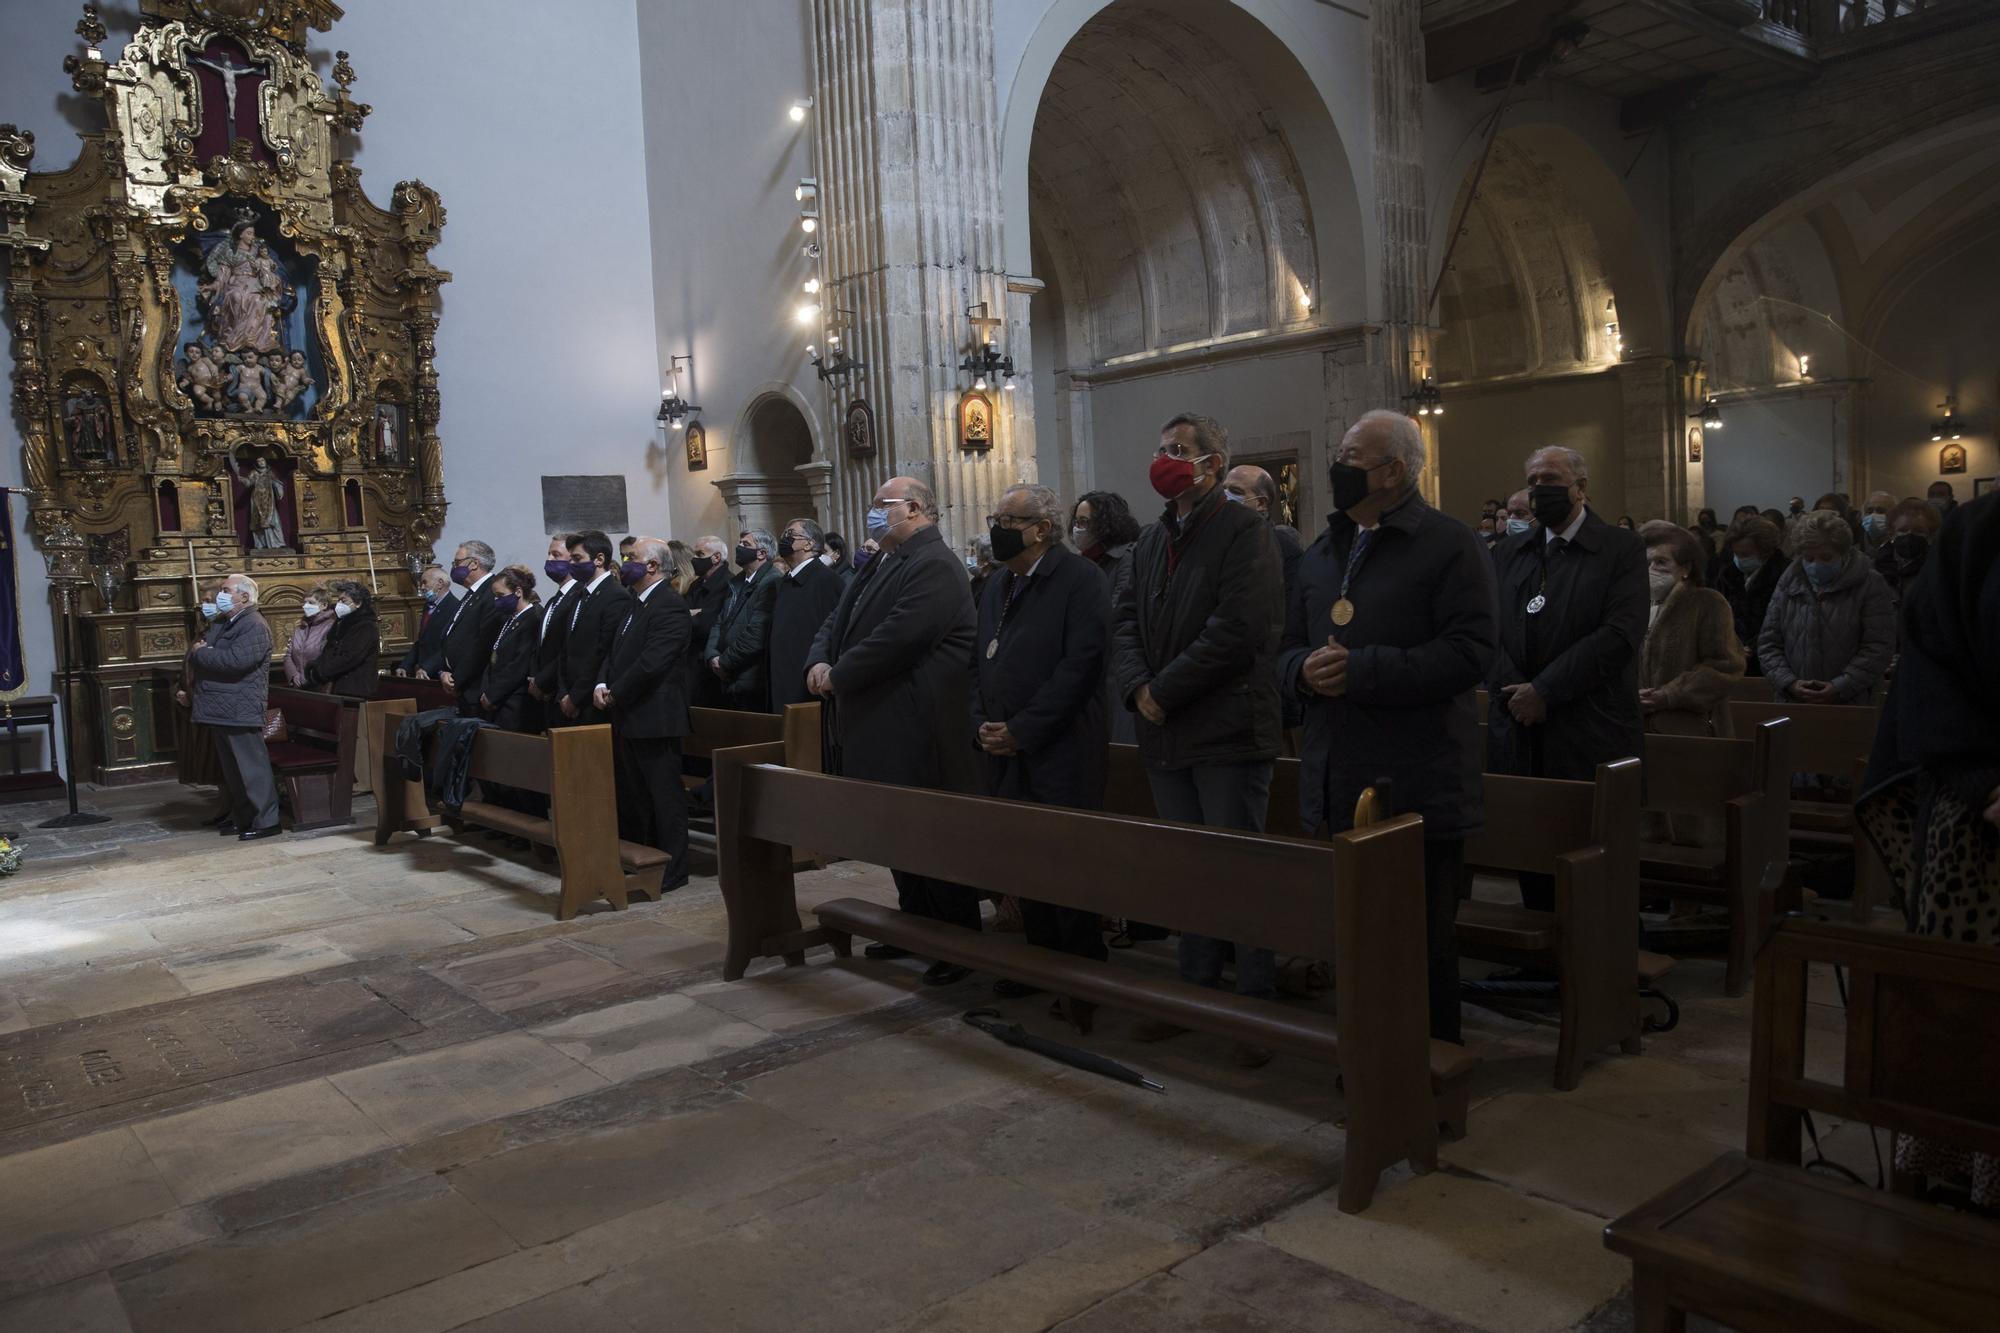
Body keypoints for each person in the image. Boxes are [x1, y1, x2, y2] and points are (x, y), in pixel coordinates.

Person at [1279, 410, 1494, 1044]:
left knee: (1419, 940)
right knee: (1356, 934)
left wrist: (1361, 670)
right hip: (1336, 772)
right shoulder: (1323, 551)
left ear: (1393, 471)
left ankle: (1427, 1077)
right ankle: (1369, 1061)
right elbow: (1286, 644)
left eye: (1350, 457)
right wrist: (1301, 672)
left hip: (1416, 778)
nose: (1337, 468)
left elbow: (1471, 653)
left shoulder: (1450, 545)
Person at [1111, 412, 1283, 1062]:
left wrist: (1164, 690)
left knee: (1238, 871)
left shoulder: (1245, 531)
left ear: (1213, 462)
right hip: (1165, 732)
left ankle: (1255, 1012)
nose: (1166, 460)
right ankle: (1195, 992)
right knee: (1187, 869)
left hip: (1227, 727)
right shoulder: (1153, 540)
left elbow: (1239, 628)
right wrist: (1137, 687)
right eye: (1161, 449)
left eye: (1179, 450)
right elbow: (1124, 616)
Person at [1857, 491, 2000, 1205]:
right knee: (1970, 1016)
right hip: (1982, 815)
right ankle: (1966, 1168)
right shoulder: (1983, 530)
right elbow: (1932, 663)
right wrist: (1985, 782)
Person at [806, 477, 981, 984]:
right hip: (880, 721)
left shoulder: (935, 564)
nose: (872, 513)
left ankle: (956, 942)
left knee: (933, 838)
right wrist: (819, 660)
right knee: (899, 835)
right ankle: (914, 927)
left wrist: (840, 674)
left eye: (881, 505)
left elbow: (900, 636)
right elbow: (836, 621)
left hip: (918, 724)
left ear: (915, 508)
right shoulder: (884, 559)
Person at [972, 483, 1112, 1025]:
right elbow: (978, 662)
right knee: (1025, 864)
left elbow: (1080, 669)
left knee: (1067, 868)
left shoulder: (1081, 581)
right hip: (1004, 751)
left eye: (1009, 518)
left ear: (1042, 529)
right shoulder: (997, 584)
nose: (997, 526)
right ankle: (1040, 964)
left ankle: (1081, 976)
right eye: (996, 515)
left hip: (1063, 750)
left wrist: (1023, 730)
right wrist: (981, 724)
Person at [1487, 446, 1648, 911]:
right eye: (1532, 480)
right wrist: (1517, 689)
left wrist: (1546, 690)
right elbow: (1490, 628)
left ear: (1581, 489)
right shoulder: (1512, 551)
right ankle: (1541, 962)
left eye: (1551, 479)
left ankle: (1601, 964)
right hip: (1519, 722)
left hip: (1588, 722)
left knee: (1591, 851)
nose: (1540, 489)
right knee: (1531, 842)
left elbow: (1619, 635)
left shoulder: (1619, 548)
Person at [596, 537, 693, 891]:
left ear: (652, 566)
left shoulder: (669, 605)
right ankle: (648, 861)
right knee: (638, 797)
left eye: (630, 557)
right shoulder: (635, 604)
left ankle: (674, 869)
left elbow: (652, 663)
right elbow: (615, 652)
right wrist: (603, 683)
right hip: (630, 714)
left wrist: (616, 692)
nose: (624, 563)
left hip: (655, 717)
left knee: (664, 798)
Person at [1758, 508, 1895, 705]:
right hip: (1794, 701)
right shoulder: (1789, 583)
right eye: (1809, 558)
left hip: (1852, 702)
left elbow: (1878, 646)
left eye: (1826, 557)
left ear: (1843, 553)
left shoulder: (1869, 584)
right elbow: (1769, 642)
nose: (1816, 565)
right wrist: (1789, 682)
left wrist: (1841, 685)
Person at [188, 573, 281, 840]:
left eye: (226, 590)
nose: (221, 595)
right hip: (222, 705)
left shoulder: (253, 624)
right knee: (233, 769)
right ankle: (243, 816)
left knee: (253, 768)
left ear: (244, 596)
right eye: (221, 590)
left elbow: (235, 661)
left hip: (240, 705)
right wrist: (203, 653)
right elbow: (212, 652)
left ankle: (267, 820)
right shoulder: (227, 621)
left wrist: (201, 653)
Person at [1637, 522, 1742, 736]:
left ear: (1685, 568)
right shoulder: (1633, 603)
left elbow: (1724, 667)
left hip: (1689, 727)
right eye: (1646, 562)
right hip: (1637, 726)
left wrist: (1670, 695)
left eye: (1661, 562)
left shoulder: (1707, 603)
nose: (1651, 570)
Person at [1072, 489, 1143, 746]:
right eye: (1076, 522)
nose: (1078, 529)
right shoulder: (1081, 563)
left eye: (1084, 522)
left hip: (1115, 670)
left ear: (1105, 524)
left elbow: (1117, 610)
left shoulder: (1126, 558)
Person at [768, 517, 845, 711]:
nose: (784, 539)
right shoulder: (786, 580)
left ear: (809, 544)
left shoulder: (825, 580)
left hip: (806, 679)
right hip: (782, 676)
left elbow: (833, 633)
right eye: (784, 534)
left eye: (791, 535)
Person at [557, 530, 633, 725]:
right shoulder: (579, 595)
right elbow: (567, 647)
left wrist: (575, 697)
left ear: (599, 559)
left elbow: (602, 651)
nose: (571, 564)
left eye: (576, 558)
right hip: (570, 696)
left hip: (592, 698)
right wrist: (564, 692)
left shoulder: (616, 595)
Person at [707, 529, 781, 711]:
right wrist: (712, 656)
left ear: (762, 553)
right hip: (730, 676)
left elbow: (757, 634)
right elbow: (720, 622)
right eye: (740, 543)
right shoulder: (737, 581)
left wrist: (724, 662)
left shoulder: (772, 581)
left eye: (746, 545)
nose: (739, 547)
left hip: (751, 677)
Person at [1713, 514, 1787, 677]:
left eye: (1746, 555)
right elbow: (1718, 614)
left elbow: (1784, 621)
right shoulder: (1727, 575)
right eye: (1736, 554)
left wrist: (1753, 646)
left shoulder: (1786, 576)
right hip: (1732, 659)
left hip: (1772, 662)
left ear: (1766, 551)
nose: (1740, 560)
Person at [440, 540, 503, 717]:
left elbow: (482, 643)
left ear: (474, 563)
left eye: (457, 563)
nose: (454, 568)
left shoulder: (491, 592)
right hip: (461, 684)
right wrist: (444, 671)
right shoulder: (472, 593)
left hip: (475, 686)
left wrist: (457, 679)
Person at [478, 566, 542, 731]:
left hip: (515, 703)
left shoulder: (532, 618)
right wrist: (486, 690)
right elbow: (494, 656)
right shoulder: (509, 619)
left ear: (518, 591)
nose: (496, 601)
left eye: (500, 596)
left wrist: (493, 695)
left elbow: (518, 665)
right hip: (498, 699)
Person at [302, 581, 380, 698]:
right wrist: (317, 667)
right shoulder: (341, 622)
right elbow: (330, 649)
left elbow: (350, 657)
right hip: (337, 686)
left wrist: (322, 671)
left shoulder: (366, 626)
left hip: (355, 688)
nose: (339, 604)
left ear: (358, 603)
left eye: (344, 601)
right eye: (338, 600)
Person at [529, 534, 577, 715]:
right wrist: (535, 678)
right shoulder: (552, 601)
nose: (549, 559)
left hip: (562, 690)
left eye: (556, 555)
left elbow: (567, 647)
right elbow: (540, 645)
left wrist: (543, 681)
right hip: (544, 693)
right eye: (549, 554)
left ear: (573, 559)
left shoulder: (578, 597)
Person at [683, 535, 732, 707]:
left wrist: (693, 615)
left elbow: (706, 624)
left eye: (699, 554)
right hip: (691, 658)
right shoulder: (696, 584)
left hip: (708, 661)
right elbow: (680, 617)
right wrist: (693, 613)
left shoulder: (727, 583)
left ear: (716, 557)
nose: (694, 559)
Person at [1875, 496, 1943, 607]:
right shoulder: (1876, 566)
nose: (1910, 535)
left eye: (1919, 531)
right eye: (1903, 530)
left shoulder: (1938, 568)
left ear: (1930, 536)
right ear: (1892, 533)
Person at [396, 565, 453, 678]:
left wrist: (428, 667)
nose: (421, 587)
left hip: (440, 673)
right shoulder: (428, 606)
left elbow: (448, 647)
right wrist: (405, 665)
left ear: (440, 583)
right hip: (424, 673)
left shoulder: (453, 607)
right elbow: (422, 642)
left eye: (425, 582)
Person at [281, 584, 335, 686]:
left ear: (324, 605)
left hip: (320, 683)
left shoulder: (330, 627)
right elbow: (288, 655)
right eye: (304, 602)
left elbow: (327, 657)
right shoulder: (299, 629)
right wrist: (294, 675)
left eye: (311, 602)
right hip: (299, 684)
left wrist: (309, 676)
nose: (305, 606)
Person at [1859, 490, 1896, 557]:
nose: (1873, 515)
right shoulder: (1853, 549)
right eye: (1869, 511)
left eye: (1880, 511)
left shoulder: (1899, 550)